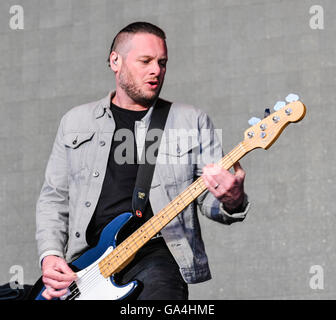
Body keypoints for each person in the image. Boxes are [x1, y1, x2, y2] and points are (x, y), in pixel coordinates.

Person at [36, 22, 250, 300]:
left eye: (162, 62)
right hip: (86, 266)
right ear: (116, 61)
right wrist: (50, 255)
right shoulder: (75, 121)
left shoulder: (190, 120)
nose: (156, 71)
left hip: (156, 253)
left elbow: (211, 201)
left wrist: (232, 198)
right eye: (146, 61)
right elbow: (54, 198)